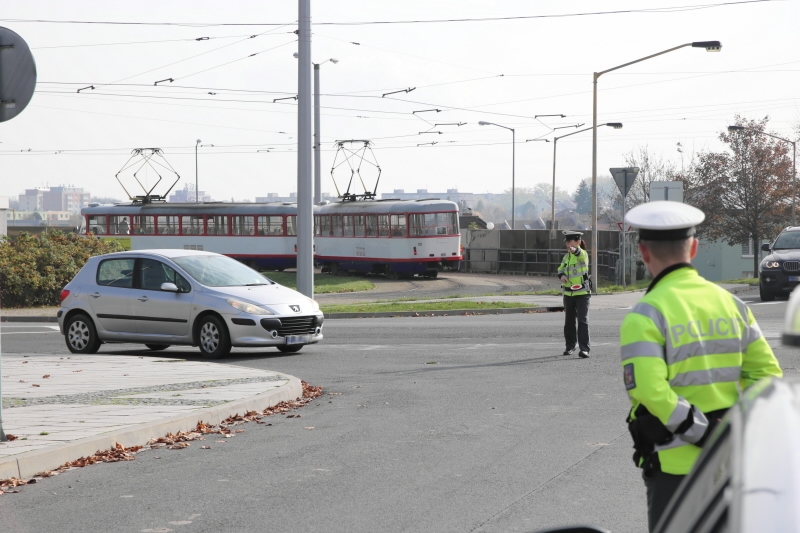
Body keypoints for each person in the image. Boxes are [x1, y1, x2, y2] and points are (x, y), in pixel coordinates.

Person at [620, 201, 783, 532]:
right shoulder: (732, 304)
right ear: (694, 247)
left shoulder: (645, 314)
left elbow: (651, 391)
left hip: (675, 470)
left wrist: (703, 434)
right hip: (732, 465)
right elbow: (767, 379)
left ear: (643, 253)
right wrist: (729, 435)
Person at [557, 230, 591, 358]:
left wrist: (574, 250)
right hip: (568, 293)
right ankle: (570, 346)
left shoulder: (583, 254)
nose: (567, 244)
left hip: (582, 293)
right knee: (569, 322)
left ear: (578, 241)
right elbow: (560, 268)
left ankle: (584, 349)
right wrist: (562, 275)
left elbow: (580, 254)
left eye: (569, 241)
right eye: (566, 242)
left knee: (583, 321)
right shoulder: (566, 257)